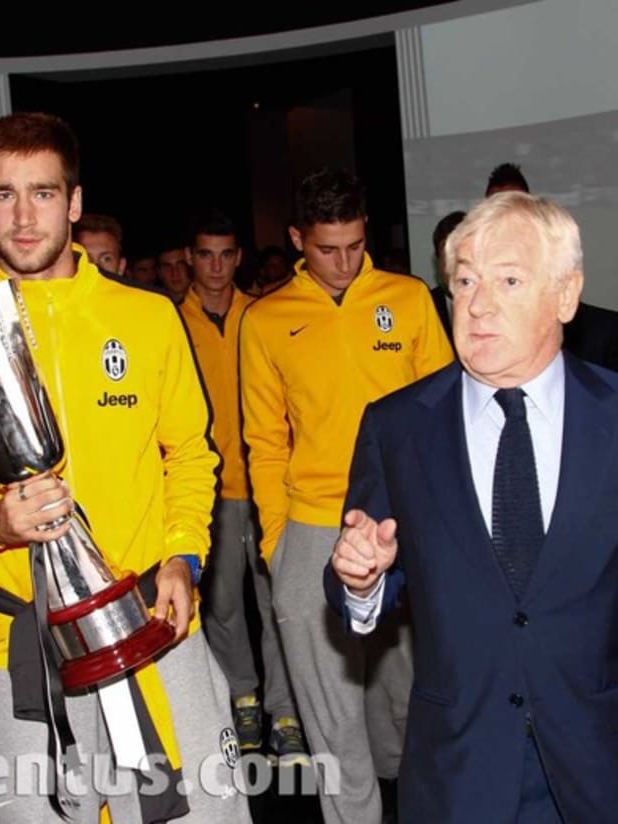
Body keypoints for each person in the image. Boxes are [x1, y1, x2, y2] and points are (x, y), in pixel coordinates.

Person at [0, 112, 253, 824]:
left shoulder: (147, 318)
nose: (24, 218)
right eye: (4, 195)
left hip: (153, 623)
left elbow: (190, 452)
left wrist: (184, 557)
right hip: (21, 645)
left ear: (75, 201)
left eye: (44, 193)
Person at [325, 191, 618, 823]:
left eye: (508, 280)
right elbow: (359, 580)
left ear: (566, 296)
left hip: (600, 763)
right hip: (460, 772)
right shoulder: (399, 427)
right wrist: (361, 577)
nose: (478, 304)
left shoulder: (615, 417)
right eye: (463, 281)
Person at [239, 167, 454, 823]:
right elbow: (264, 441)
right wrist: (278, 544)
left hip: (404, 517)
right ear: (299, 238)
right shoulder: (267, 318)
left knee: (413, 695)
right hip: (310, 522)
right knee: (330, 712)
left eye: (355, 246)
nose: (342, 262)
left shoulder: (409, 298)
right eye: (327, 248)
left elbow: (442, 412)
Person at [179, 208, 307, 765]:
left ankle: (285, 709)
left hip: (274, 482)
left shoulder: (263, 315)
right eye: (205, 254)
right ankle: (243, 696)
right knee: (223, 604)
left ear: (238, 258)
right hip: (212, 487)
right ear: (189, 257)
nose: (215, 265)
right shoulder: (169, 321)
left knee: (280, 599)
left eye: (226, 254)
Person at [482, 163, 618, 371]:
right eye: (496, 211)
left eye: (515, 208)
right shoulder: (479, 327)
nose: (506, 220)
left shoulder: (600, 335)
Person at [430, 210, 466, 349]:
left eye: (460, 249)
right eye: (447, 251)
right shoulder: (425, 306)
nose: (455, 260)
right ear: (438, 259)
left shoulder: (498, 303)